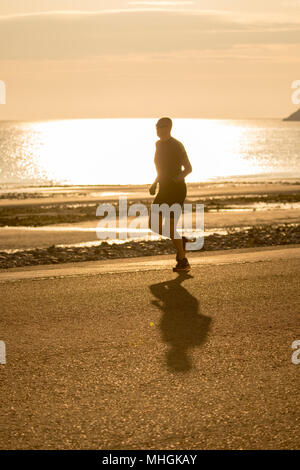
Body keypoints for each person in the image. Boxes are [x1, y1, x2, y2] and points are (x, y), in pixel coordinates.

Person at [149, 117, 192, 272]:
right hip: (163, 189)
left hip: (176, 190)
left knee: (170, 227)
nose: (158, 129)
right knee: (153, 225)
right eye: (156, 126)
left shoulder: (176, 145)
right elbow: (161, 169)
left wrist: (176, 179)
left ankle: (183, 260)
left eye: (161, 126)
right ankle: (181, 241)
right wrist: (154, 183)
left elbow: (188, 168)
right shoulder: (158, 144)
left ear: (169, 127)